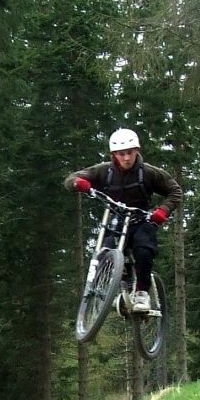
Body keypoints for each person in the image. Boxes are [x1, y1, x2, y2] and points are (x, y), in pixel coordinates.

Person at [64, 128, 182, 312]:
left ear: (137, 151)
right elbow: (72, 178)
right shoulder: (104, 171)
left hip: (141, 220)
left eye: (130, 153)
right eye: (121, 154)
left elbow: (175, 192)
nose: (126, 158)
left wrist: (162, 212)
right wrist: (78, 183)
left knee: (144, 250)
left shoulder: (149, 173)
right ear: (114, 155)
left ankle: (142, 292)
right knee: (105, 253)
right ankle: (117, 290)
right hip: (115, 221)